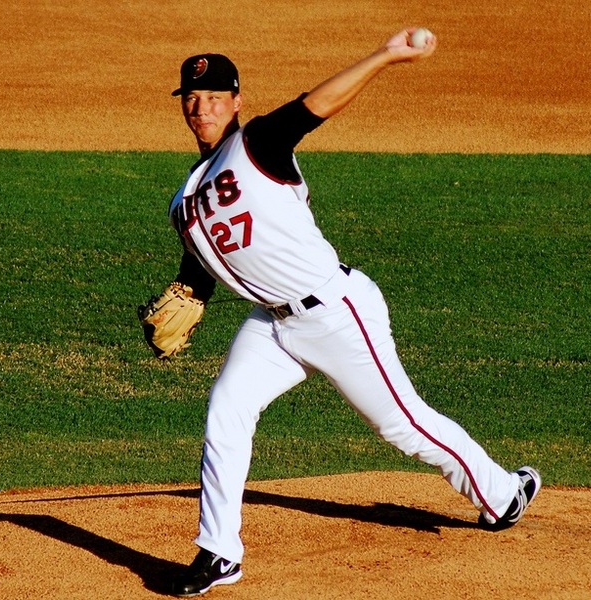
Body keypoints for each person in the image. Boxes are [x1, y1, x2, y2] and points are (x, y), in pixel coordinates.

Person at [163, 29, 541, 597]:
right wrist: (185, 294)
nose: (203, 107)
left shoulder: (259, 143)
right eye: (193, 98)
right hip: (273, 325)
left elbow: (317, 104)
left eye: (215, 96)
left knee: (403, 425)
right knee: (227, 409)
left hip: (337, 312)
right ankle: (219, 553)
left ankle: (502, 494)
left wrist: (386, 56)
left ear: (237, 101)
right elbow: (202, 264)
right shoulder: (186, 196)